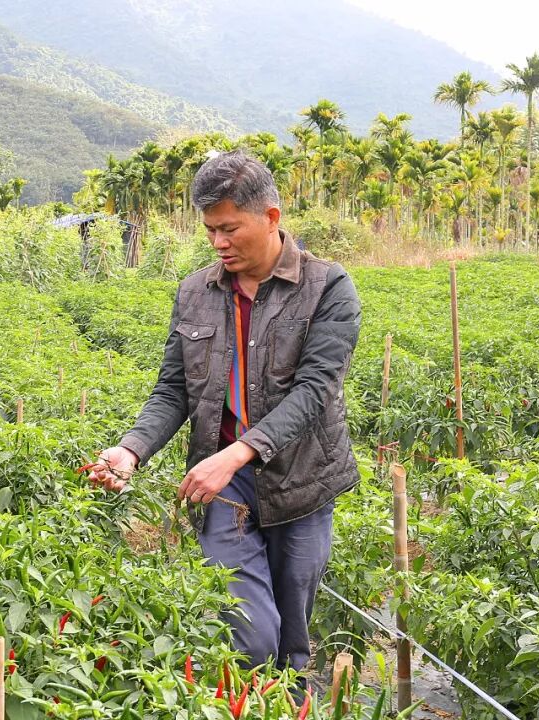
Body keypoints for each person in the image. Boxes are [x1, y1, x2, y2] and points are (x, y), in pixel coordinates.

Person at [89, 151, 362, 670]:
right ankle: (248, 691)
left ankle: (287, 699)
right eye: (211, 230)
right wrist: (131, 450)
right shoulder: (196, 291)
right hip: (223, 486)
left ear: (271, 217)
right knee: (251, 636)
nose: (218, 242)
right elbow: (174, 390)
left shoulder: (326, 287)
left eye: (230, 229)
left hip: (300, 481)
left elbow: (315, 391)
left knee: (292, 638)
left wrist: (239, 452)